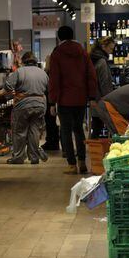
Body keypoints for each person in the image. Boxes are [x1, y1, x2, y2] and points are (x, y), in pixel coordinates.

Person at [48, 26, 97, 175]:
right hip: (81, 98)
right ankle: (82, 163)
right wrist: (92, 96)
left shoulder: (57, 53)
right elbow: (91, 75)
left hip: (64, 100)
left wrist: (52, 101)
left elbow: (54, 79)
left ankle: (71, 164)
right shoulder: (82, 52)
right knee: (79, 130)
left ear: (59, 37)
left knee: (65, 131)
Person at [0, 52, 49, 164]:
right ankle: (34, 157)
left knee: (20, 131)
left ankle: (19, 157)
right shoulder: (43, 73)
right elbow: (48, 89)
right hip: (40, 105)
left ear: (23, 62)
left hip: (23, 105)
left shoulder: (19, 72)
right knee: (34, 131)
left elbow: (8, 88)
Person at [90, 36, 115, 138]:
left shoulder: (93, 58)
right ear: (103, 46)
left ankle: (93, 148)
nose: (111, 51)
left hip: (95, 98)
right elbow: (105, 83)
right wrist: (110, 100)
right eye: (110, 48)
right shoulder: (102, 62)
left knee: (96, 126)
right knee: (101, 126)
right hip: (102, 99)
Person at [41, 55, 60, 151]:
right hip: (53, 100)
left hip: (50, 100)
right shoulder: (55, 72)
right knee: (53, 123)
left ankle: (52, 142)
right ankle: (53, 142)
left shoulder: (49, 73)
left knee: (50, 122)